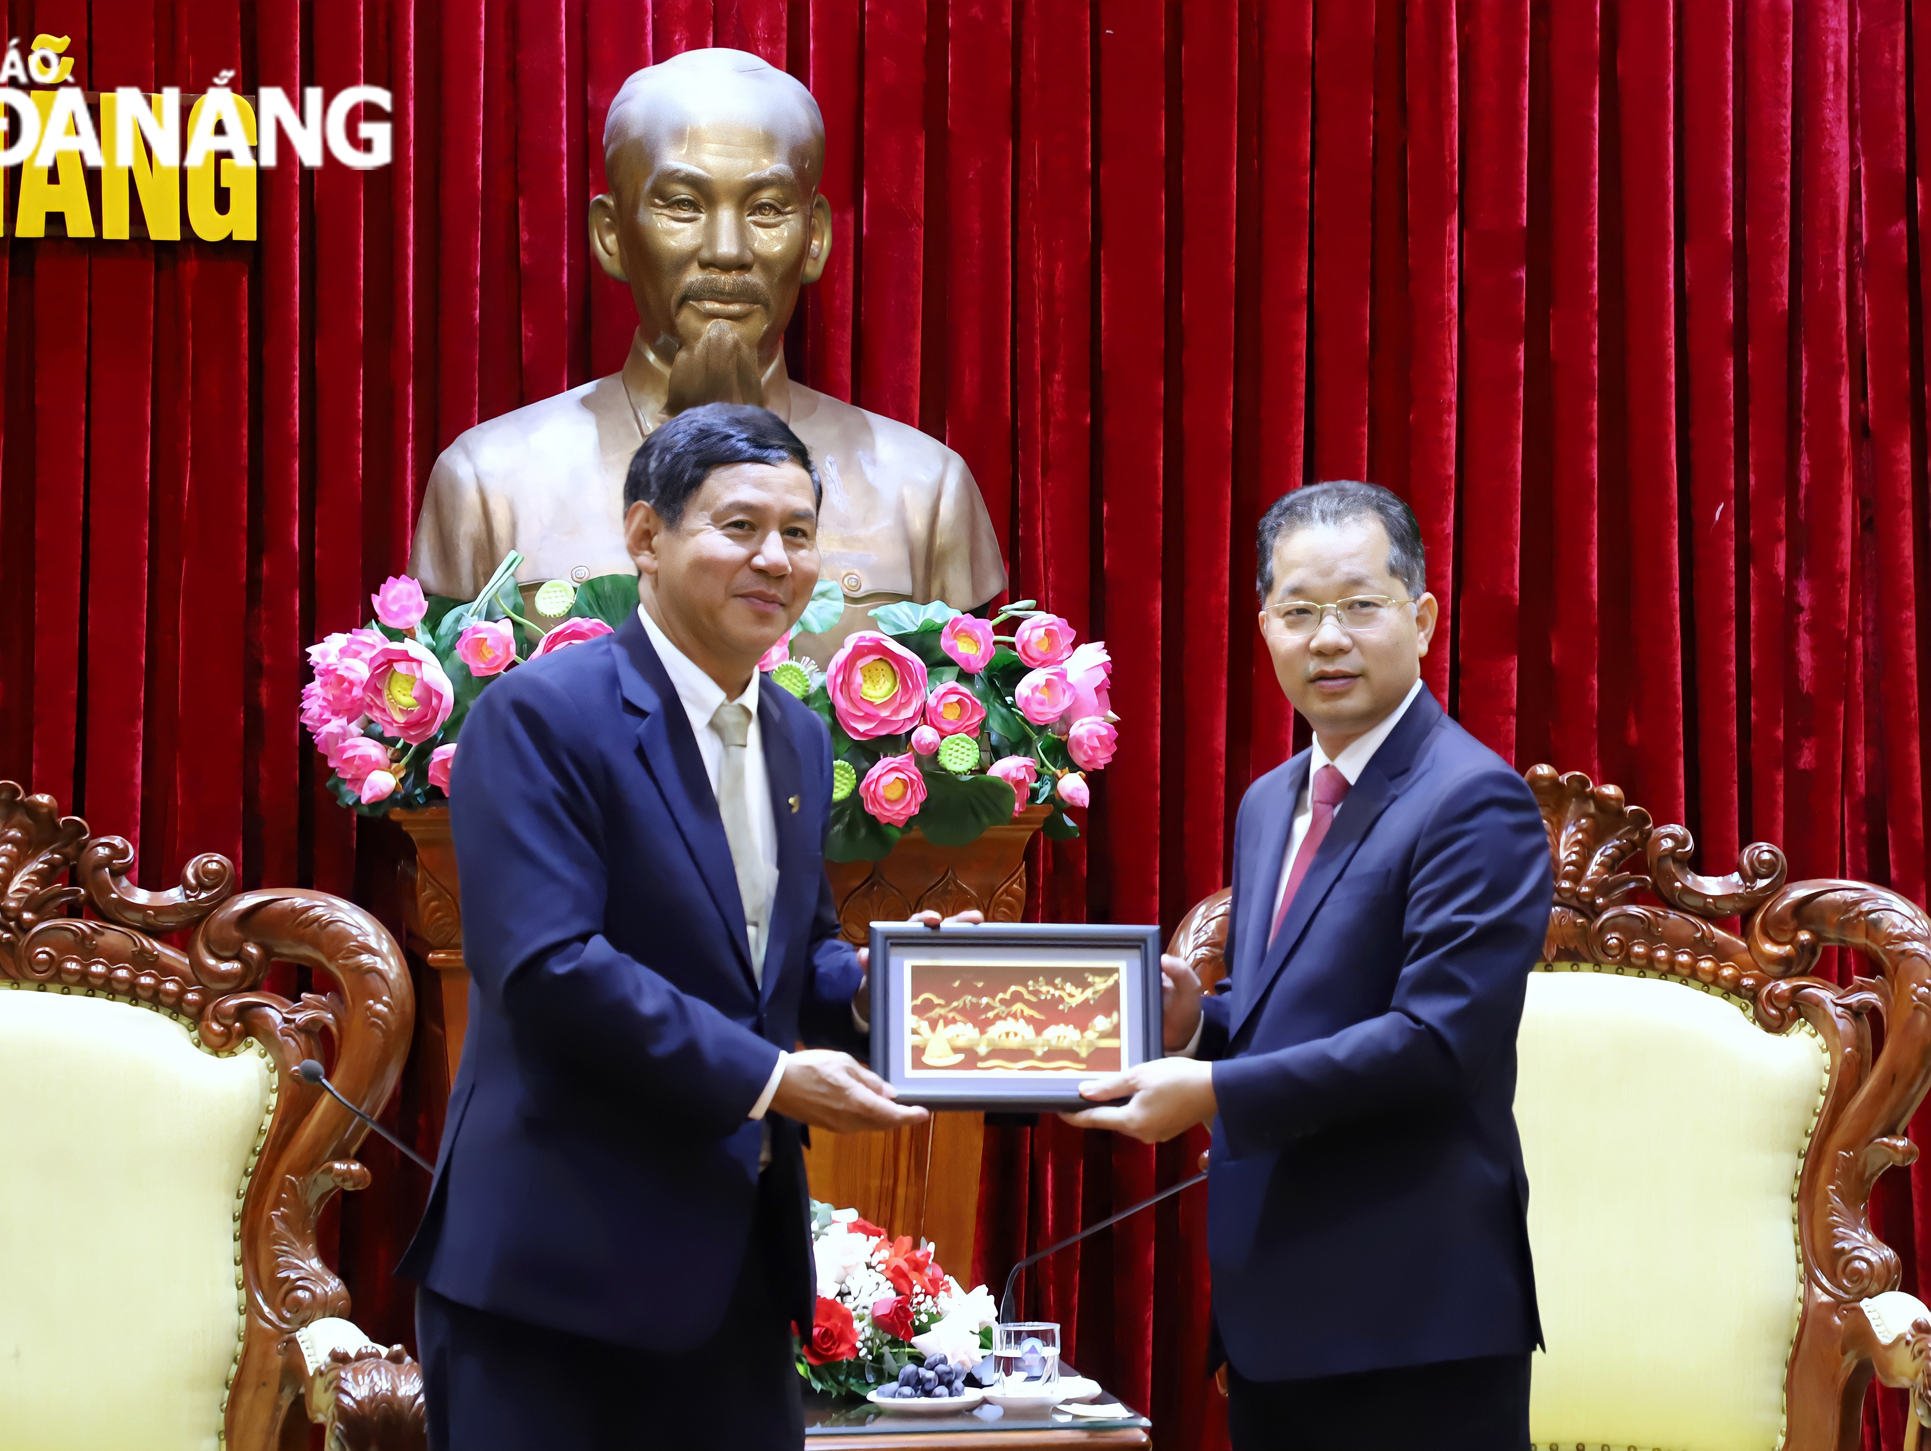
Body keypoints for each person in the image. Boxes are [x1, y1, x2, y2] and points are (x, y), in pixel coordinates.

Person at [399, 403, 934, 1450]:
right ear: (645, 537)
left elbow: (786, 961)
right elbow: (550, 967)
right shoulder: (541, 715)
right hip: (556, 1280)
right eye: (737, 527)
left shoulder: (792, 729)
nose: (774, 559)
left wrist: (877, 988)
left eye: (797, 532)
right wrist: (772, 1078)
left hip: (734, 1271)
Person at [1065, 481, 1552, 1450]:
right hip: (1275, 1309)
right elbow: (1293, 1006)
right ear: (1263, 628)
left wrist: (1208, 1087)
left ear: (1419, 618)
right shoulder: (1269, 799)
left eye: (1359, 605)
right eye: (1297, 611)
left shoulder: (1471, 800)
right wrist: (1193, 1022)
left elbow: (1434, 1040)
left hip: (1412, 1318)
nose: (1326, 637)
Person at [406, 47, 1005, 663]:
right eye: (683, 206)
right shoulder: (489, 484)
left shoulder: (925, 493)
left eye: (766, 209)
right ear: (611, 235)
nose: (726, 251)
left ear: (815, 238)